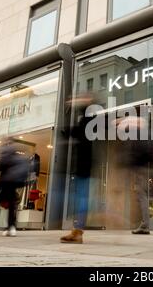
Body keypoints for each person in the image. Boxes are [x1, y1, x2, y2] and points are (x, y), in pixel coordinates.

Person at [60, 93, 95, 244]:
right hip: (82, 164)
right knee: (80, 198)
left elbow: (75, 132)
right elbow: (73, 132)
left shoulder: (89, 118)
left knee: (81, 198)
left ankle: (78, 231)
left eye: (83, 98)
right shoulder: (85, 119)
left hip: (84, 164)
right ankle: (77, 230)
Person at [116, 115, 153, 235]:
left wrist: (130, 163)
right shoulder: (144, 134)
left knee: (141, 195)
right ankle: (144, 224)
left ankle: (145, 225)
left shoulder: (140, 134)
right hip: (142, 168)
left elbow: (138, 152)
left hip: (140, 169)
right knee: (140, 195)